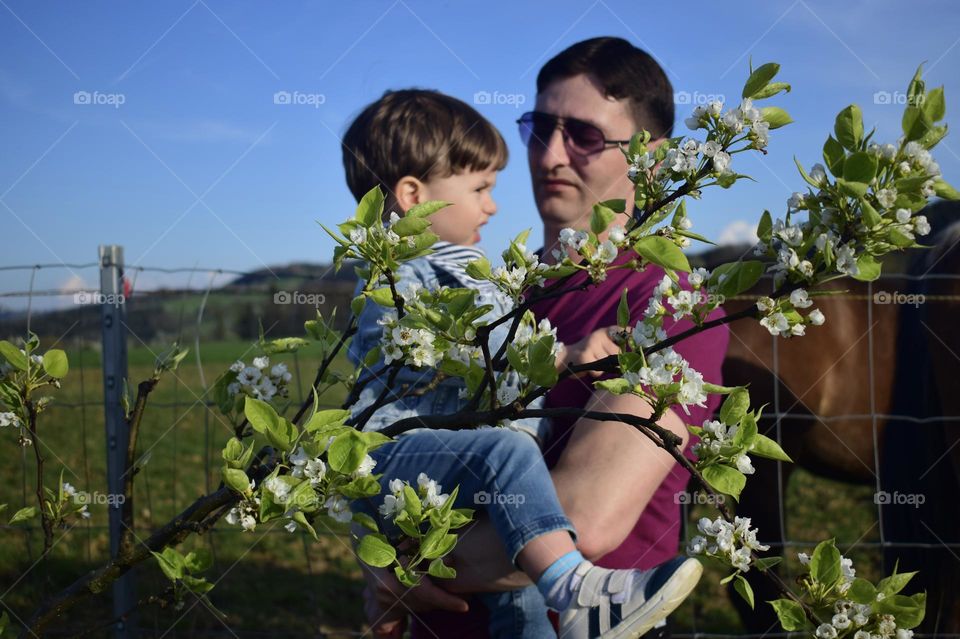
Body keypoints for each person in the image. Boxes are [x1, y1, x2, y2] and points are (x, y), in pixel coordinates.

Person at [360, 38, 730, 639]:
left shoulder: (669, 306)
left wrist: (406, 565)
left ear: (652, 159)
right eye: (540, 128)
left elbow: (587, 513)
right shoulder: (487, 292)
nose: (551, 154)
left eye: (584, 135)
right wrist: (373, 547)